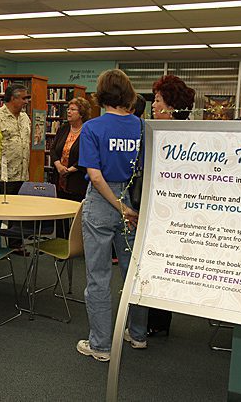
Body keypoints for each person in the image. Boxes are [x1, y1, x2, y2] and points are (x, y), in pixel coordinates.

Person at [76, 69, 148, 362]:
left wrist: (120, 206)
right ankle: (138, 334)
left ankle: (101, 345)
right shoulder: (142, 127)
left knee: (98, 276)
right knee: (134, 272)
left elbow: (95, 176)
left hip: (102, 203)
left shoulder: (92, 128)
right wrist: (129, 208)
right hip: (132, 201)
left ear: (101, 93)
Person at [148, 75, 196, 337]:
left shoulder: (177, 135)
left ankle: (155, 321)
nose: (154, 105)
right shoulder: (160, 130)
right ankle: (156, 321)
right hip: (164, 208)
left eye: (158, 100)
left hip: (170, 210)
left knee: (161, 266)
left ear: (171, 105)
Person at [0, 83, 31, 252]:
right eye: (24, 98)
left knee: (17, 211)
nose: (26, 101)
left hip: (22, 172)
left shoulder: (25, 118)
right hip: (3, 173)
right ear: (13, 98)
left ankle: (16, 244)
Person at [49, 97, 91, 237]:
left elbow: (88, 154)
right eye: (68, 109)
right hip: (59, 178)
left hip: (77, 179)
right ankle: (60, 241)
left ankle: (75, 243)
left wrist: (71, 169)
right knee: (60, 214)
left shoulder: (88, 131)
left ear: (81, 113)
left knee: (76, 215)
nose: (68, 112)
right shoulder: (64, 128)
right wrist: (58, 165)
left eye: (73, 109)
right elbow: (53, 149)